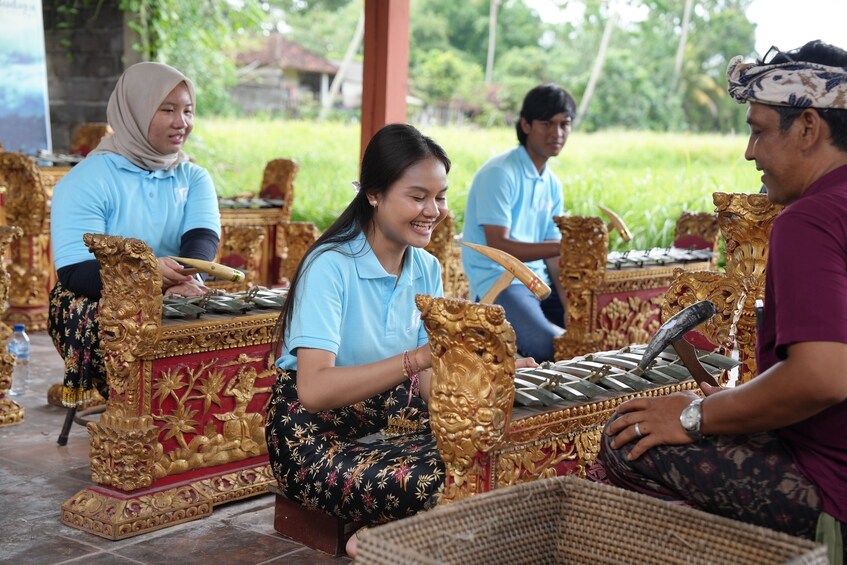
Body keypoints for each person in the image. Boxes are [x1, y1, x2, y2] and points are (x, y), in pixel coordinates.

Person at [589, 40, 847, 559]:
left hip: (832, 482)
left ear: (808, 128)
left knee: (624, 440)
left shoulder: (810, 220)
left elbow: (824, 375)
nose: (749, 153)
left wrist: (694, 416)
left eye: (757, 130)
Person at [265, 123, 536, 558]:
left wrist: (489, 376)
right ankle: (376, 539)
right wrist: (417, 359)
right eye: (417, 196)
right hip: (312, 441)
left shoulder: (425, 268)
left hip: (389, 424)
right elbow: (313, 392)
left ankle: (386, 530)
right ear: (374, 194)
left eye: (441, 196)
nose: (434, 210)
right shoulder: (330, 266)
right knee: (446, 480)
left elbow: (431, 389)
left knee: (490, 456)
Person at [49, 62, 221, 407]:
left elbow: (201, 242)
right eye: (168, 110)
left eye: (188, 110)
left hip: (178, 288)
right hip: (99, 299)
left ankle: (199, 428)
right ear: (135, 112)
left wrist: (183, 278)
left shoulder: (193, 177)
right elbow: (74, 271)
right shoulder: (87, 179)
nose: (182, 122)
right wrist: (145, 277)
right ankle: (140, 427)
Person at [461, 83, 574, 362]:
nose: (556, 133)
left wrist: (571, 303)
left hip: (538, 282)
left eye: (564, 124)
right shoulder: (501, 173)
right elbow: (499, 245)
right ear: (525, 124)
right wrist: (565, 245)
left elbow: (553, 257)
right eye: (547, 123)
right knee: (553, 347)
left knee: (591, 331)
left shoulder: (552, 184)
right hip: (501, 282)